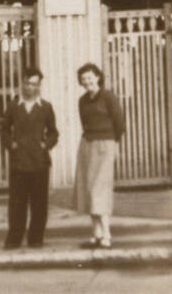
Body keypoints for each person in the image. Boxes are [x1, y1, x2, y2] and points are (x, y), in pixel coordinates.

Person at [0, 68, 59, 249]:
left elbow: (53, 132)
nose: (30, 87)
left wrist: (45, 145)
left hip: (39, 162)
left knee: (39, 202)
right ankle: (14, 238)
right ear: (22, 83)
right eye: (27, 83)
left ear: (39, 86)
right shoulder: (13, 106)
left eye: (34, 84)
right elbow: (3, 130)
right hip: (19, 162)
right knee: (17, 202)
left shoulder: (46, 107)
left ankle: (36, 238)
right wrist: (11, 145)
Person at [73, 62, 124, 249]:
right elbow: (84, 123)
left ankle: (107, 235)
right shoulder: (82, 101)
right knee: (87, 189)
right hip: (87, 144)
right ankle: (96, 233)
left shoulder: (108, 97)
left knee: (99, 190)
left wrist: (114, 143)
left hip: (105, 144)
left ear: (97, 77)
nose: (87, 81)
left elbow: (119, 122)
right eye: (83, 79)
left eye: (90, 77)